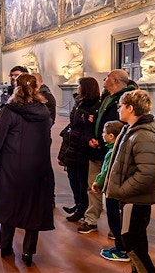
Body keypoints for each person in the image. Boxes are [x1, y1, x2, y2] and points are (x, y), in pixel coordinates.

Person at [0, 73, 54, 267]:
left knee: (9, 205)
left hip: (11, 165)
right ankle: (28, 253)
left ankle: (6, 247)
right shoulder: (43, 110)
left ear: (16, 87)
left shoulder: (10, 110)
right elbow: (46, 139)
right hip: (37, 166)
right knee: (34, 207)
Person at [103, 90, 155, 272]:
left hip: (135, 198)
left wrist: (122, 190)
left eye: (120, 106)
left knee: (133, 243)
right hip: (131, 198)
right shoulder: (130, 129)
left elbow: (147, 173)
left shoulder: (144, 135)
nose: (118, 110)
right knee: (134, 240)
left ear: (130, 108)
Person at [78, 69, 135, 234]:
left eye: (108, 76)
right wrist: (91, 138)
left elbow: (124, 126)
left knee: (114, 190)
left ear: (116, 80)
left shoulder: (127, 98)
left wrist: (107, 143)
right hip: (97, 149)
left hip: (115, 151)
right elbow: (93, 119)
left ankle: (116, 227)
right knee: (93, 185)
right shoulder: (104, 97)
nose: (104, 79)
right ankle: (91, 219)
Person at [58, 77, 101, 222]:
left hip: (82, 147)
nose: (77, 88)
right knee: (73, 178)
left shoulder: (94, 105)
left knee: (82, 181)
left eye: (79, 85)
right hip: (73, 143)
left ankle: (82, 208)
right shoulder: (78, 102)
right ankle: (77, 204)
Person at [92, 120, 127, 262]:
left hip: (112, 191)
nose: (102, 135)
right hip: (116, 190)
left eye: (104, 133)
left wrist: (98, 183)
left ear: (111, 136)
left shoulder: (112, 152)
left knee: (114, 220)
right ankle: (120, 246)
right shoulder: (118, 148)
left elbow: (106, 171)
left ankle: (122, 250)